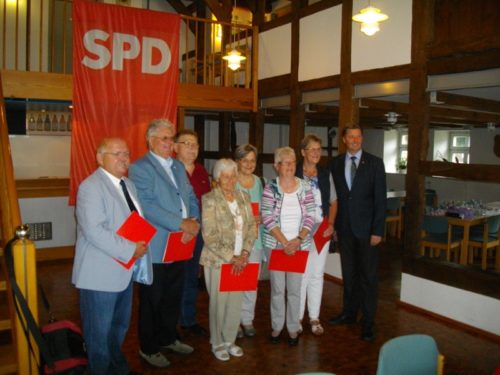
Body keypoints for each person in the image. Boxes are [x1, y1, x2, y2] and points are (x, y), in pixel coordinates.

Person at [72, 137, 148, 375]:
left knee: (118, 329)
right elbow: (95, 231)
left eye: (126, 153)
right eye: (117, 154)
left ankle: (117, 368)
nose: (124, 158)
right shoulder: (90, 187)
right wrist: (130, 249)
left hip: (124, 271)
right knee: (98, 335)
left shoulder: (128, 184)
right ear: (99, 158)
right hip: (100, 275)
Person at [129, 119, 200, 368]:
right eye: (164, 138)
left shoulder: (178, 167)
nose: (170, 143)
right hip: (158, 245)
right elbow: (146, 205)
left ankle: (168, 337)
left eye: (171, 138)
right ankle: (148, 347)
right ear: (150, 141)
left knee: (173, 296)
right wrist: (181, 224)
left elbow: (190, 196)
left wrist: (194, 221)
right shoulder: (140, 168)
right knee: (152, 300)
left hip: (181, 242)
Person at [329, 125, 386, 342]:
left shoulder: (375, 163)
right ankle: (349, 313)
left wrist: (378, 230)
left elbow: (380, 200)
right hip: (344, 230)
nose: (354, 140)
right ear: (344, 139)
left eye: (358, 136)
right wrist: (332, 226)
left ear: (362, 138)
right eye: (350, 136)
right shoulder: (335, 164)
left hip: (368, 231)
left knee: (368, 277)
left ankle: (368, 321)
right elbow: (334, 198)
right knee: (349, 275)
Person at [200, 158, 256, 361]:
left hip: (241, 259)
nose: (230, 180)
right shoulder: (209, 199)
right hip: (219, 260)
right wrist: (231, 257)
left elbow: (251, 228)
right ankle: (217, 342)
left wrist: (245, 254)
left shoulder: (244, 196)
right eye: (226, 176)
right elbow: (210, 235)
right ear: (217, 178)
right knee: (219, 303)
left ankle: (230, 340)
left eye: (233, 176)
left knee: (235, 302)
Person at [261, 146, 315, 346]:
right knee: (277, 289)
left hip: (299, 246)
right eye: (285, 162)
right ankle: (277, 326)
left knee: (294, 289)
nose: (290, 166)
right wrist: (284, 242)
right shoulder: (270, 187)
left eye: (293, 161)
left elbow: (310, 215)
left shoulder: (306, 186)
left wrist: (298, 240)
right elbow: (266, 217)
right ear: (277, 166)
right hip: (276, 245)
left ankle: (293, 328)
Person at [296, 134, 338, 336]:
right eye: (311, 149)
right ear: (303, 152)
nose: (315, 153)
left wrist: (331, 223)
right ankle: (296, 318)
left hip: (321, 229)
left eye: (318, 149)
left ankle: (314, 317)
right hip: (299, 230)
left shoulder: (324, 173)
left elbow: (334, 201)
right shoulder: (294, 171)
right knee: (301, 274)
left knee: (317, 274)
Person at [174, 129, 211, 337]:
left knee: (190, 277)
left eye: (195, 144)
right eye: (186, 143)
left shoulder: (201, 171)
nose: (191, 148)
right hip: (176, 233)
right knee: (173, 279)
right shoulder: (169, 170)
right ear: (175, 147)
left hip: (197, 233)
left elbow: (206, 201)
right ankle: (171, 324)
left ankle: (188, 319)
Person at [234, 144, 265, 338]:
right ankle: (234, 321)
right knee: (235, 281)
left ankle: (247, 319)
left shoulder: (259, 181)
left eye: (252, 160)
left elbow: (264, 207)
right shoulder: (230, 181)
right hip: (236, 239)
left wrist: (262, 216)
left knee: (251, 283)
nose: (249, 164)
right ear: (237, 162)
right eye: (245, 160)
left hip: (256, 239)